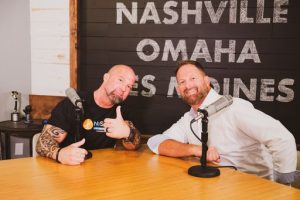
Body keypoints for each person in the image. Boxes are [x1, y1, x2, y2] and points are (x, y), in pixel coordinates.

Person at [147, 60, 298, 184]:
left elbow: (282, 139)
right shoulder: (190, 118)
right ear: (178, 89)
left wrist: (281, 187)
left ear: (207, 81)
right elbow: (157, 142)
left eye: (193, 78)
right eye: (182, 82)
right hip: (213, 186)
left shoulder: (234, 107)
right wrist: (196, 150)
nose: (188, 85)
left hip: (252, 186)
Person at [36, 64, 141, 165]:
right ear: (106, 77)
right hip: (68, 168)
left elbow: (134, 145)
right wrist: (59, 154)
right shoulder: (75, 102)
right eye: (120, 80)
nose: (124, 89)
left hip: (102, 171)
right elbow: (42, 142)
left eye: (129, 86)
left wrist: (128, 133)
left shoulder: (122, 110)